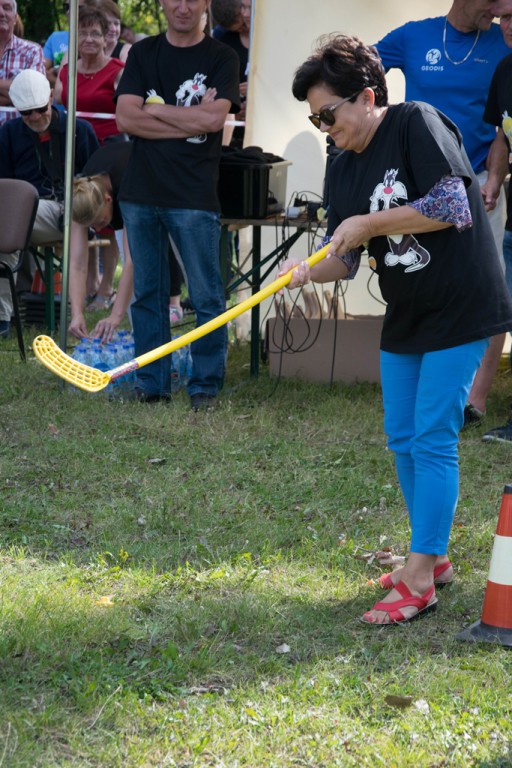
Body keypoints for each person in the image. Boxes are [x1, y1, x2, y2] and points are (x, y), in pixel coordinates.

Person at [279, 34, 512, 624]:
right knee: (401, 435)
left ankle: (421, 575)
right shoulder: (342, 162)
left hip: (461, 302)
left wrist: (367, 221)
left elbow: (453, 206)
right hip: (408, 310)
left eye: (328, 114)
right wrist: (304, 273)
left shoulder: (416, 122)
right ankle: (429, 560)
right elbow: (347, 257)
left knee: (433, 434)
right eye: (314, 118)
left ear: (366, 96)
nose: (324, 126)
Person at [374, 0, 510, 427]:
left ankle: (476, 399)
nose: (501, 15)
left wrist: (493, 178)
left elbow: (500, 126)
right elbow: (357, 72)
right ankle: (425, 390)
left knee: (489, 290)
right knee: (419, 280)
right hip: (419, 192)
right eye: (496, 6)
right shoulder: (414, 36)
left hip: (480, 184)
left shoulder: (504, 41)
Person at [115, 0, 240, 408]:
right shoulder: (143, 53)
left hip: (193, 195)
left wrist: (154, 112)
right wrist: (187, 116)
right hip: (140, 193)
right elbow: (126, 119)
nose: (182, 7)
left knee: (205, 296)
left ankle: (204, 385)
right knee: (147, 294)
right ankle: (152, 384)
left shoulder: (222, 56)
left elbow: (211, 122)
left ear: (205, 3)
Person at [0, 68, 98, 338]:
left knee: (6, 223)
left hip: (70, 214)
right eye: (25, 112)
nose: (34, 117)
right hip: (24, 213)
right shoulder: (9, 133)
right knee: (5, 227)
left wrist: (76, 202)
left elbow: (96, 183)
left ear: (51, 98)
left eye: (40, 109)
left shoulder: (79, 130)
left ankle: (3, 317)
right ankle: (2, 317)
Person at [54, 4, 125, 310]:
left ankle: (107, 286)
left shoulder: (116, 71)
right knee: (84, 213)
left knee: (106, 221)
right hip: (76, 147)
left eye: (95, 33)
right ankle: (88, 283)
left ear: (106, 37)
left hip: (108, 150)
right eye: (82, 32)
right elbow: (57, 100)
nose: (89, 39)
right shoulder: (67, 70)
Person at [477, 0, 512, 442]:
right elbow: (501, 134)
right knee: (502, 306)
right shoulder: (505, 71)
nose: (507, 26)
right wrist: (495, 181)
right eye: (504, 17)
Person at [0, 0, 45, 126]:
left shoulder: (32, 51)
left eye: (7, 8)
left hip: (19, 137)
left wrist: (26, 95)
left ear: (15, 18)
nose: (1, 13)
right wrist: (17, 92)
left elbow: (34, 96)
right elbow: (24, 95)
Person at [212, 0, 249, 147]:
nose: (246, 17)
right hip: (234, 130)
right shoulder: (225, 41)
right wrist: (234, 106)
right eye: (238, 28)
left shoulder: (268, 39)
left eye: (248, 9)